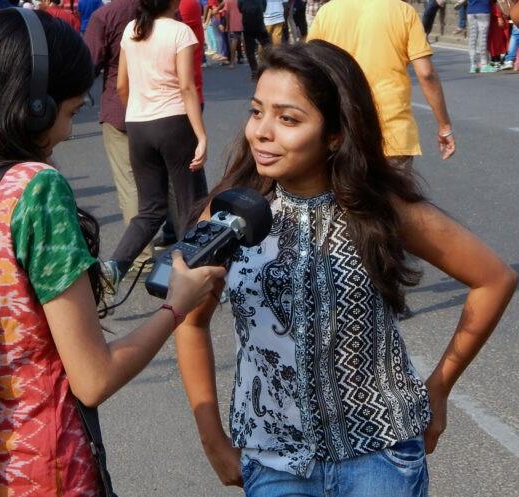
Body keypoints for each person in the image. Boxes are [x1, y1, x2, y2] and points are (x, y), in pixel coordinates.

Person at [0, 10, 225, 495]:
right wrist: (177, 306)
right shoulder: (32, 190)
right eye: (67, 113)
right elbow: (93, 378)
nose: (68, 132)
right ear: (35, 108)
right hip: (43, 476)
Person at [175, 40, 517, 496]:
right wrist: (212, 438)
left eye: (288, 118)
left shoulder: (379, 209)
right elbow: (189, 320)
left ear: (335, 133)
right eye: (257, 112)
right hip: (274, 462)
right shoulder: (230, 214)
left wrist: (439, 387)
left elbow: (494, 279)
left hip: (381, 458)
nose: (262, 131)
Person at [102, 0, 209, 289]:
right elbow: (186, 86)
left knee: (150, 209)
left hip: (138, 124)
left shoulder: (131, 30)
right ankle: (193, 277)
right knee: (191, 206)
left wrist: (138, 112)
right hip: (174, 121)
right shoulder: (180, 32)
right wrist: (200, 135)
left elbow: (122, 86)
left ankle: (115, 266)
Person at [309, 0, 456, 168]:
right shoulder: (403, 12)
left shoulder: (327, 12)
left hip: (342, 130)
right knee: (392, 193)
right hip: (392, 132)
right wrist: (445, 126)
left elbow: (311, 70)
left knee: (347, 193)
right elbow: (426, 73)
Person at [84, 0, 155, 268]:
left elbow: (89, 63)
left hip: (120, 109)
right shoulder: (163, 10)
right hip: (162, 107)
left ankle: (143, 255)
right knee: (166, 180)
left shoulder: (105, 16)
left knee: (130, 185)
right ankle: (187, 245)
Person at [238, 0, 270, 78]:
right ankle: (270, 66)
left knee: (250, 51)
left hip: (248, 25)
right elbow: (264, 8)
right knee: (267, 46)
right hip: (259, 24)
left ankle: (254, 71)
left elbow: (240, 9)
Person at [467, 0, 498, 72]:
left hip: (471, 11)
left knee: (472, 38)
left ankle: (473, 65)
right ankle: (484, 65)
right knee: (482, 38)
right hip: (483, 9)